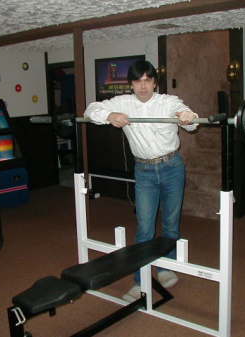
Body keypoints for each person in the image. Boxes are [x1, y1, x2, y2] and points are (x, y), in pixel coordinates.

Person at [84, 60, 198, 302]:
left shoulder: (168, 101)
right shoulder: (123, 102)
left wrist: (187, 116)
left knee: (170, 223)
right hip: (144, 171)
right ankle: (139, 281)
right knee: (145, 227)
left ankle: (166, 267)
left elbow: (190, 118)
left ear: (155, 82)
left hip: (171, 168)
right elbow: (90, 110)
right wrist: (109, 115)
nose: (143, 86)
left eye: (147, 80)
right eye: (138, 81)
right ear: (132, 84)